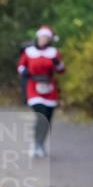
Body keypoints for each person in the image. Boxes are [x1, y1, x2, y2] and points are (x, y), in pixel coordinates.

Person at [17, 26, 66, 158]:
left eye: (46, 37)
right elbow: (21, 66)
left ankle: (40, 143)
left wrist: (57, 63)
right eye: (42, 36)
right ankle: (35, 143)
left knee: (48, 118)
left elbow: (61, 70)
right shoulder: (29, 51)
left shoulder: (54, 52)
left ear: (49, 39)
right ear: (38, 37)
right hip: (34, 87)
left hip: (49, 88)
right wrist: (24, 72)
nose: (44, 39)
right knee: (41, 115)